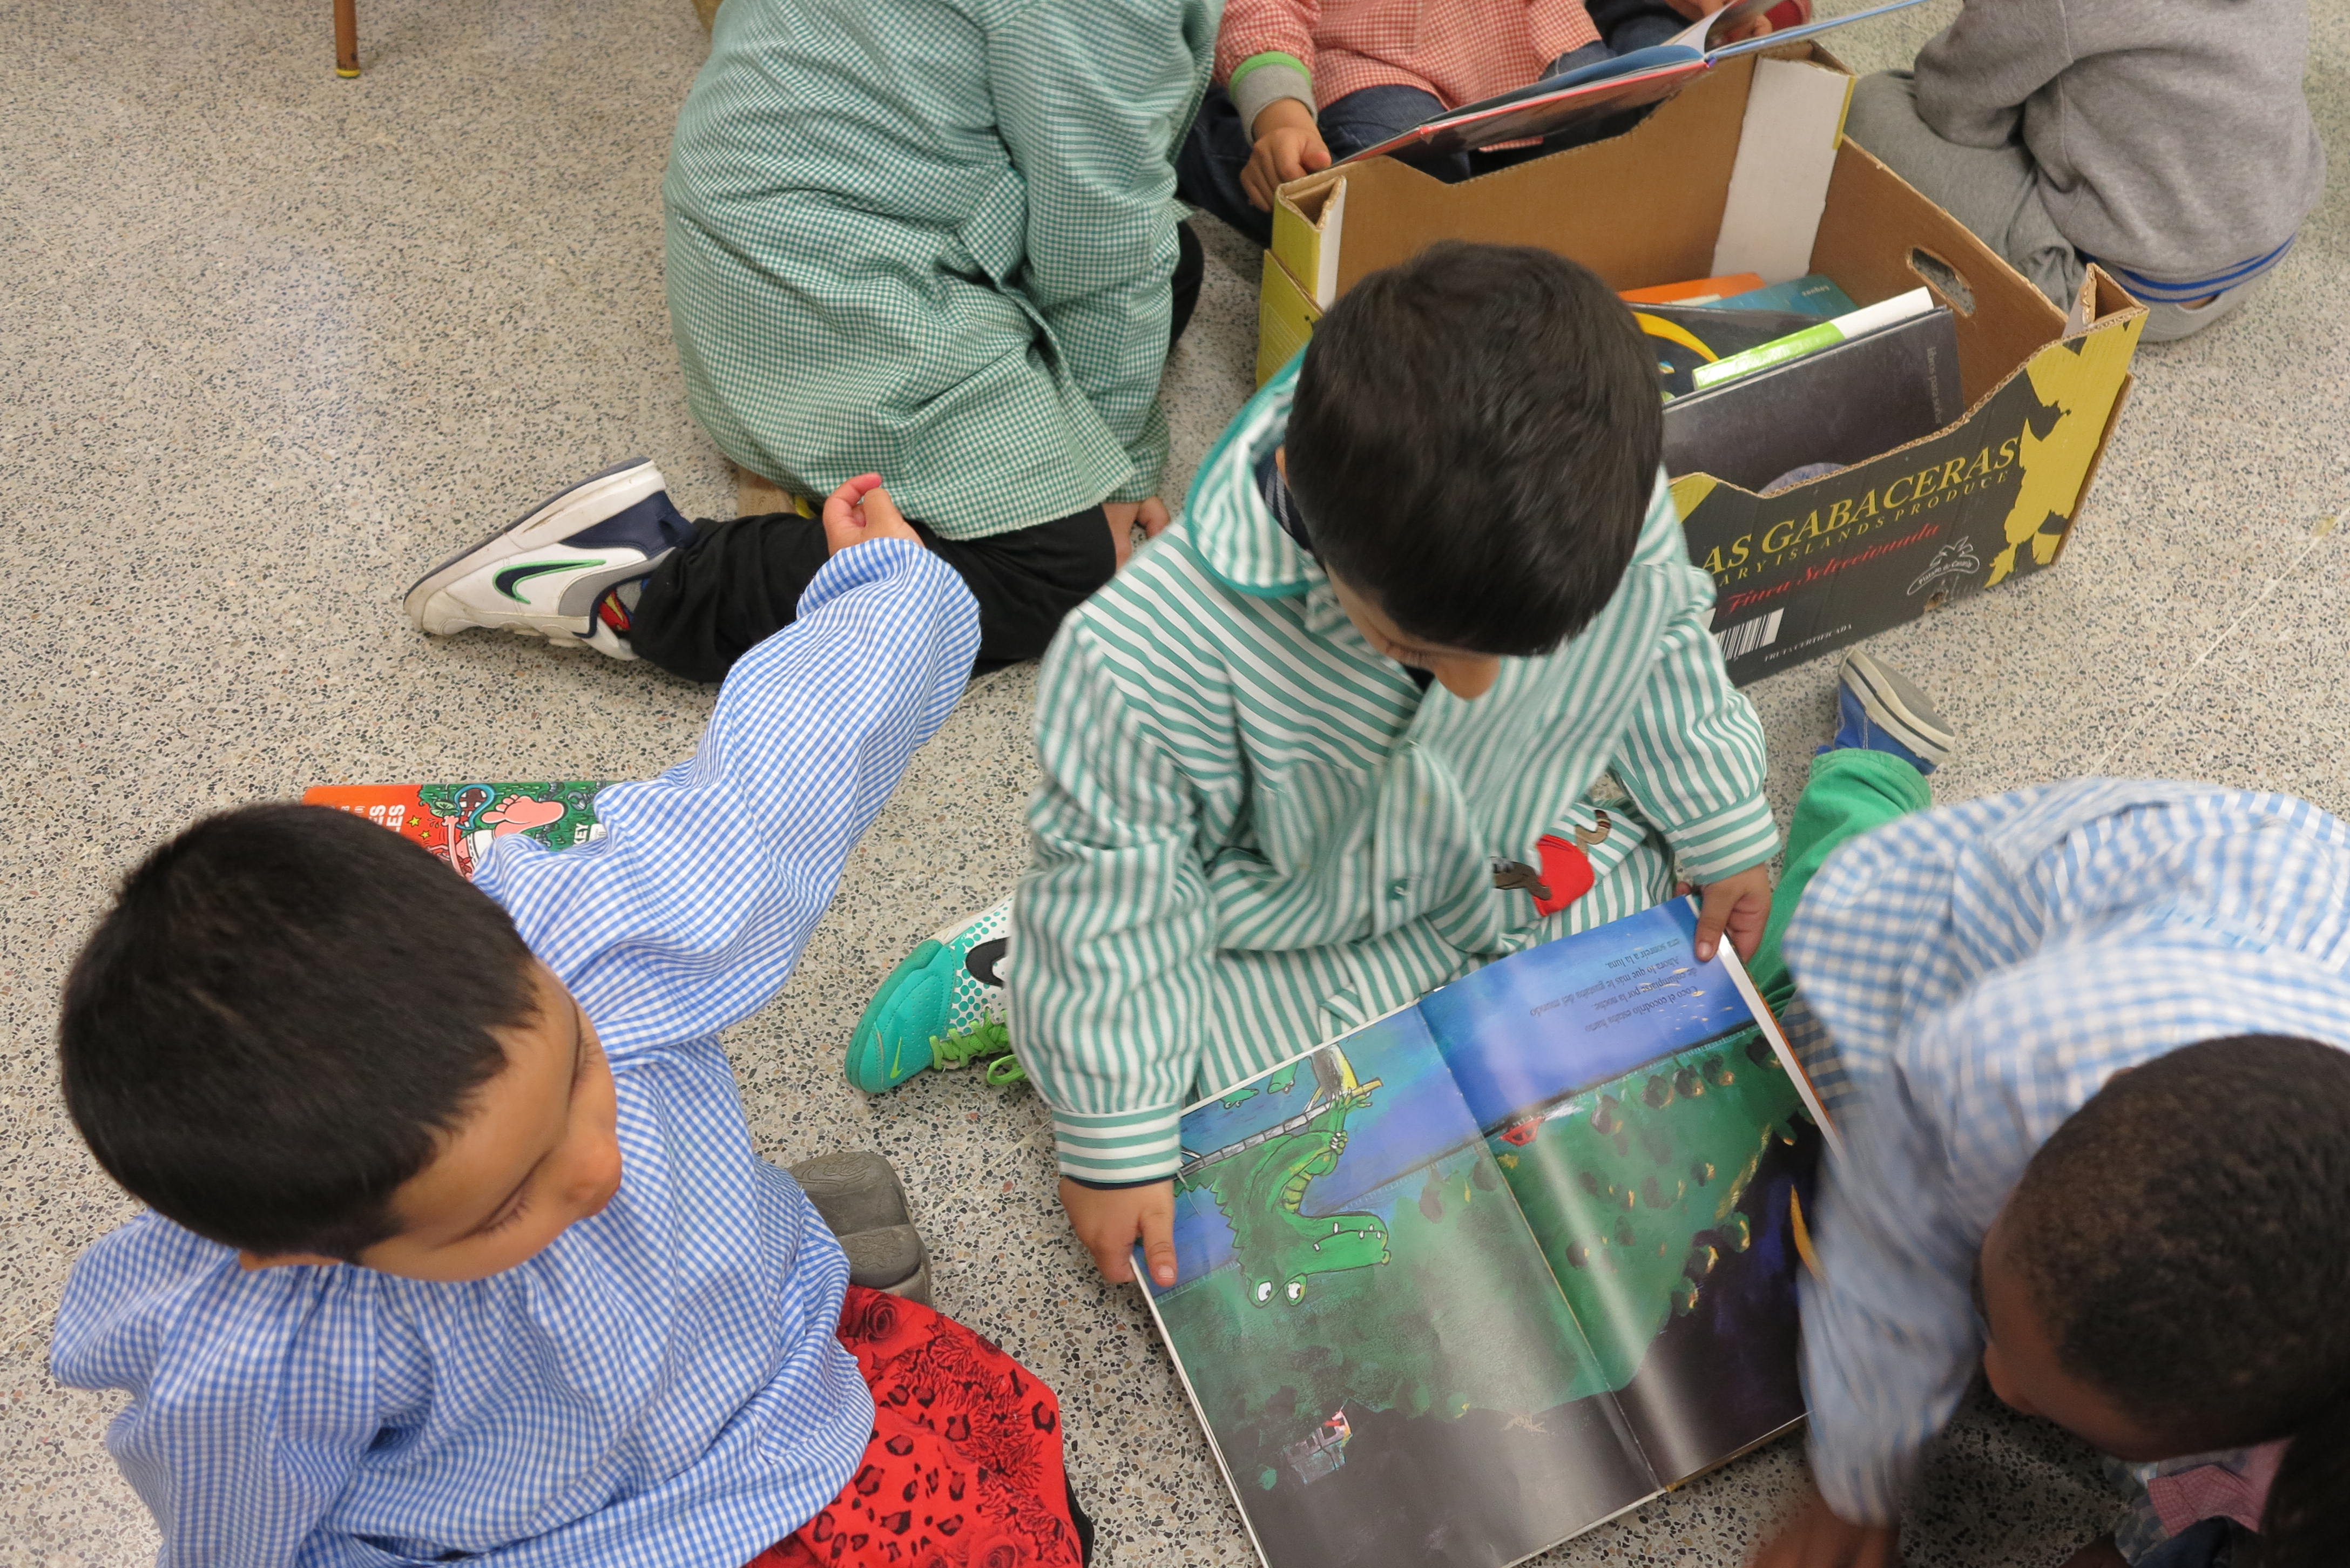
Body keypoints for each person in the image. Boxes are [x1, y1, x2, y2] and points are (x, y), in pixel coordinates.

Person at [51, 481, 1095, 1568]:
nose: (599, 1167)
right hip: (606, 1534)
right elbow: (245, 1534)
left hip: (767, 1353)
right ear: (296, 1253)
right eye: (509, 1199)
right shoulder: (274, 1350)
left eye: (577, 1074)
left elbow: (783, 771)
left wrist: (883, 591)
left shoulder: (589, 946)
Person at [846, 242, 1783, 1285]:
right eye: (1415, 648)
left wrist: (1722, 820)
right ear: (1300, 491)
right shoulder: (1159, 649)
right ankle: (1018, 959)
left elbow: (1659, 636)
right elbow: (1122, 872)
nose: (1477, 687)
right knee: (1241, 1103)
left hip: (1483, 857)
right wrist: (1113, 1138)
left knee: (1655, 920)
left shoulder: (1588, 476)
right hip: (1270, 905)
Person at [405, 0, 1218, 681]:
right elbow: (1097, 236)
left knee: (1172, 263)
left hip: (784, 205)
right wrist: (1119, 470)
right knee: (1054, 568)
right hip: (811, 273)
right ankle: (647, 583)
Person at [1744, 763, 2350, 1568]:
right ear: (2094, 1102)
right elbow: (1890, 1257)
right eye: (1997, 1332)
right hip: (1980, 913)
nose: (1996, 1385)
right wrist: (1855, 1478)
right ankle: (1868, 785)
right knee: (1795, 1041)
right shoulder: (2001, 1066)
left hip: (2257, 979)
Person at [1841, 0, 2323, 343]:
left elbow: (1953, 108)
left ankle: (2054, 273)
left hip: (2129, 297)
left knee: (1871, 104)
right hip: (2265, 244)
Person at [1174, 0, 1801, 246]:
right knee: (1384, 205)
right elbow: (1262, 12)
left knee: (1627, 126)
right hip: (1370, 55)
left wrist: (1715, 14)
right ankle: (1193, 140)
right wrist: (1279, 117)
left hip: (1530, 40)